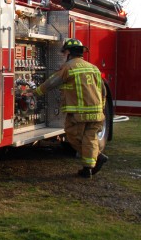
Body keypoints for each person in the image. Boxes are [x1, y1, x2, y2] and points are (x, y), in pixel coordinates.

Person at [26, 38, 108, 178]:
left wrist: (34, 92)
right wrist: (102, 107)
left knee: (73, 136)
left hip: (78, 113)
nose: (63, 55)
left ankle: (95, 159)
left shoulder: (69, 67)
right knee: (90, 138)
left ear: (69, 52)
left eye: (64, 53)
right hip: (97, 113)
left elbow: (51, 82)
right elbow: (103, 91)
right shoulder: (93, 68)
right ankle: (89, 167)